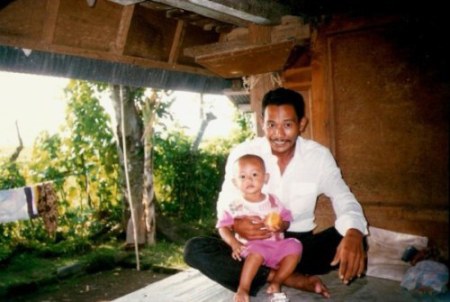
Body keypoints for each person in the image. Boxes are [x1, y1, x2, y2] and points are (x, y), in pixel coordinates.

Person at [184, 87, 368, 298]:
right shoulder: (243, 153)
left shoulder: (318, 157)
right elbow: (225, 202)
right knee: (195, 249)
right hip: (252, 247)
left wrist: (354, 233)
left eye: (288, 125)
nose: (279, 134)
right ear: (262, 123)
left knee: (355, 236)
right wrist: (236, 225)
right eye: (271, 125)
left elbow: (343, 197)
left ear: (301, 124)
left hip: (299, 248)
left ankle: (270, 274)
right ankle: (287, 278)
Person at [217, 154, 302, 302]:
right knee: (256, 252)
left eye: (254, 174)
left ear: (265, 178)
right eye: (242, 176)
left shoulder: (273, 200)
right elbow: (222, 227)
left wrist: (281, 225)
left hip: (276, 246)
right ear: (235, 182)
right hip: (253, 249)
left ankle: (277, 281)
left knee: (295, 245)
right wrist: (234, 243)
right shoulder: (235, 205)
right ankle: (243, 289)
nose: (249, 180)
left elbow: (287, 219)